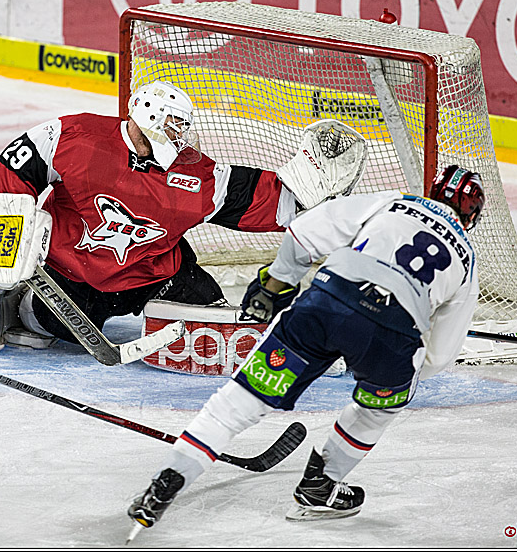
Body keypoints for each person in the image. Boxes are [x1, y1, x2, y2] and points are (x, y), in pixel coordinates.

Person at [126, 164, 485, 531]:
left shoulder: (394, 202)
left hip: (326, 304)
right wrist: (390, 368)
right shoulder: (467, 259)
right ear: (472, 216)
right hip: (393, 337)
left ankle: (164, 484)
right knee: (377, 409)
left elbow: (304, 232)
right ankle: (320, 486)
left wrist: (277, 284)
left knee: (236, 405)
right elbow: (440, 355)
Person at [0, 80, 367, 352]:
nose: (181, 134)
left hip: (156, 275)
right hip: (73, 276)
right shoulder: (78, 137)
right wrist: (10, 238)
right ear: (148, 121)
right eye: (174, 124)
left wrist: (310, 190)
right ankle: (25, 306)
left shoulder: (194, 173)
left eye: (183, 125)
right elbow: (13, 168)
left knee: (216, 333)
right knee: (50, 325)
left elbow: (253, 199)